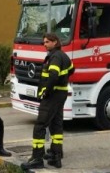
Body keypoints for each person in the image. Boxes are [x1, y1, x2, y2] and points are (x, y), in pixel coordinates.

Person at [21, 33, 74, 170]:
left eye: (47, 42)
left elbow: (53, 75)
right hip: (60, 94)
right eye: (44, 42)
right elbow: (71, 69)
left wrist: (45, 90)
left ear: (55, 42)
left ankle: (37, 158)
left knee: (40, 125)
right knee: (56, 125)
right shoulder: (63, 55)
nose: (44, 44)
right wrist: (63, 80)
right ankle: (56, 156)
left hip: (52, 95)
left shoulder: (55, 56)